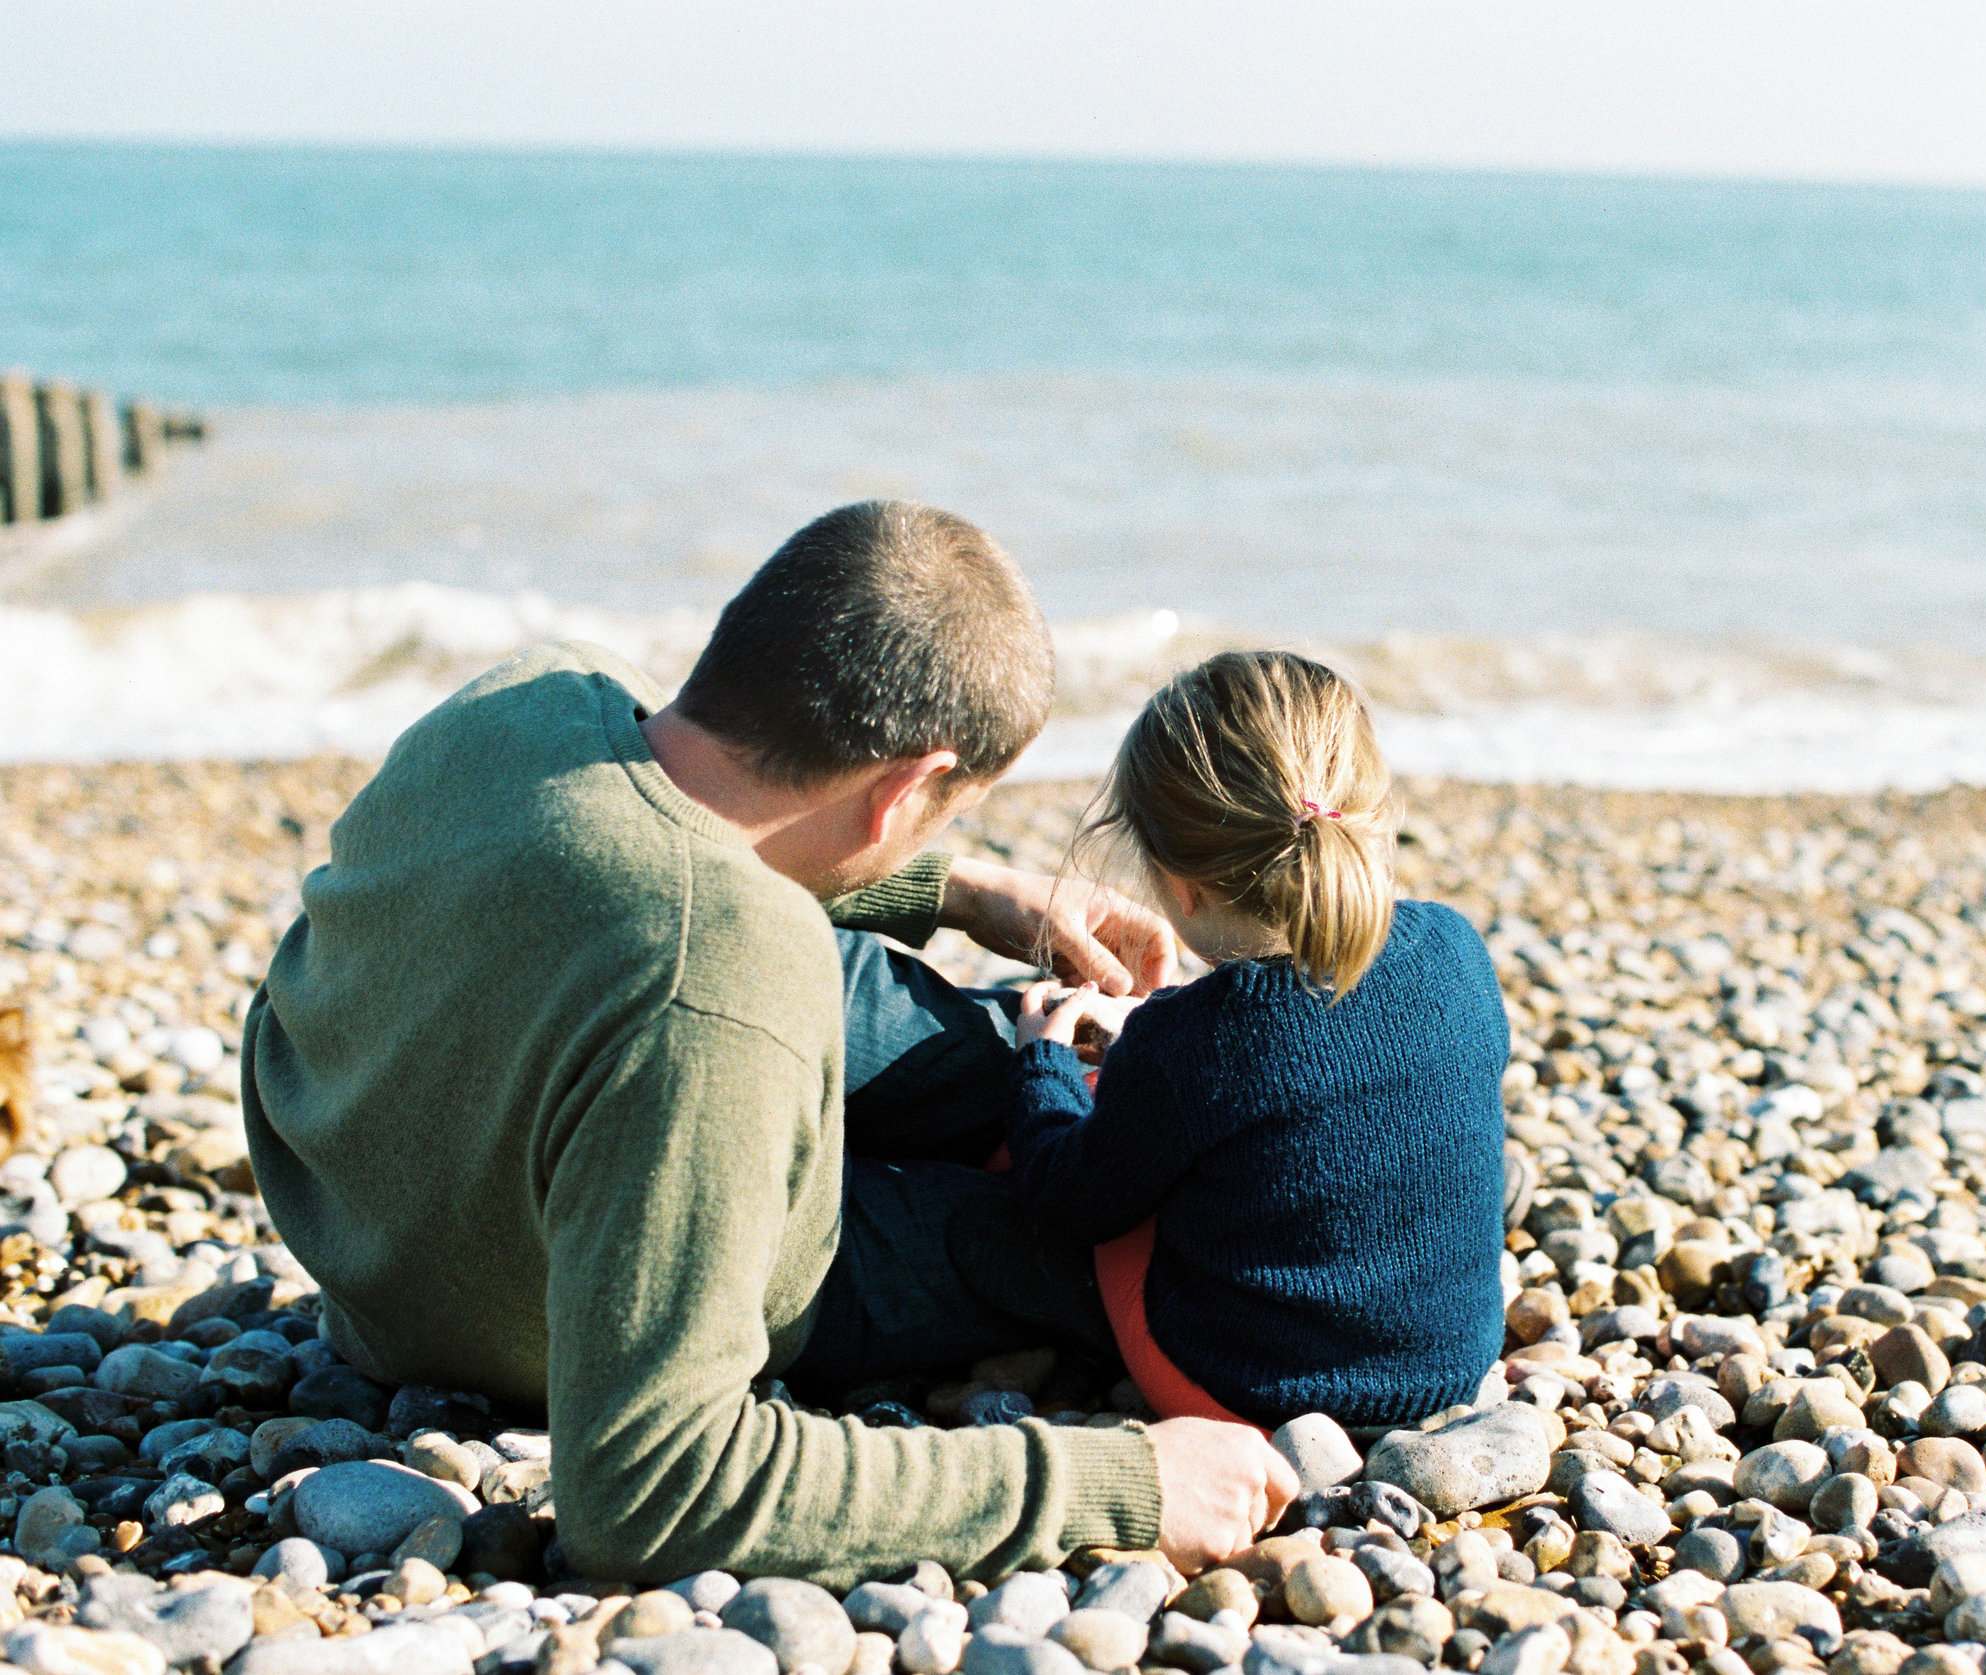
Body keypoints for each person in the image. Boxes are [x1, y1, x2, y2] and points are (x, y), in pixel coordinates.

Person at [241, 501, 1295, 1588]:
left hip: (359, 1176)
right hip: (487, 1297)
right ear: (903, 789)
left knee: (1009, 1051)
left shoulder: (534, 697)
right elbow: (649, 1485)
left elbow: (679, 822)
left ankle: (1075, 1072)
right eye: (944, 816)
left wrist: (961, 888)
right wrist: (1108, 1487)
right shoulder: (723, 986)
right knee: (1032, 1231)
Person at [1006, 650, 1509, 1430]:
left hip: (1249, 1387)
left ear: (1182, 886)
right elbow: (1332, 1067)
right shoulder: (1455, 946)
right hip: (1452, 1360)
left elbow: (1071, 1202)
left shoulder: (1192, 1042)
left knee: (1099, 1143)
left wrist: (1042, 1061)